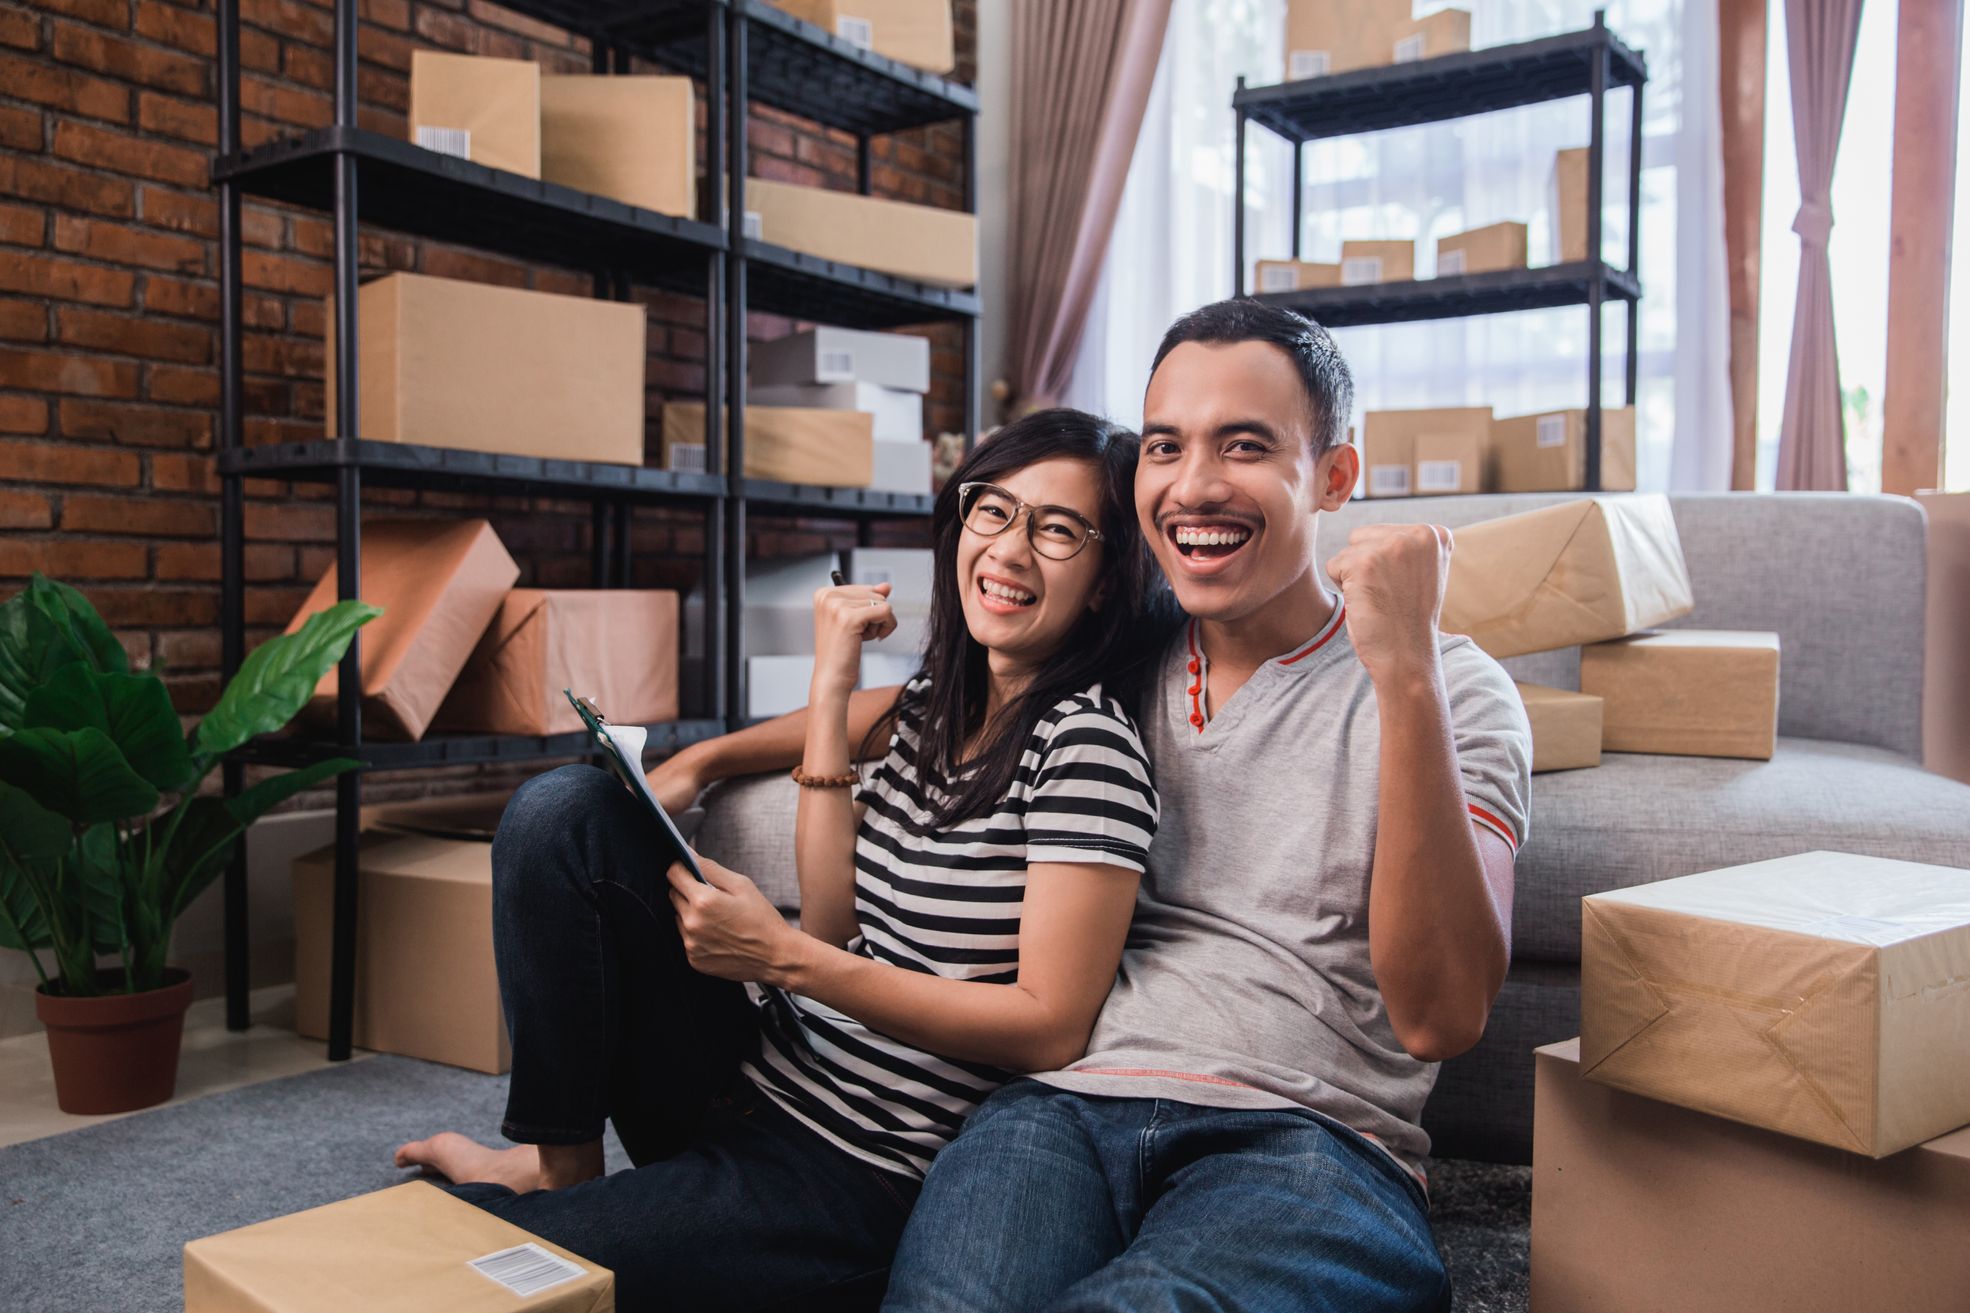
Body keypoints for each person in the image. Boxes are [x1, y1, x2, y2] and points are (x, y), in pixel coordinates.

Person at [662, 300, 1531, 1312]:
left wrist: (1405, 673)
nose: (1194, 483)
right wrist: (704, 755)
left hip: (1308, 1138)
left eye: (1243, 445)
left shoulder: (1454, 690)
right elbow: (910, 706)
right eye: (1166, 446)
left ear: (1333, 475)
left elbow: (1440, 1013)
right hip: (1057, 1111)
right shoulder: (1120, 655)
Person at [394, 408, 1170, 1311]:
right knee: (565, 811)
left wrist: (783, 957)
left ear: (1109, 578)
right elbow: (839, 914)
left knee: (487, 1277)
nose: (1009, 548)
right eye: (993, 510)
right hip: (751, 1080)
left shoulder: (1087, 749)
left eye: (1058, 528)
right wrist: (727, 743)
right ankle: (562, 1169)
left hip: (856, 1173)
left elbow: (1049, 1026)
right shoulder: (933, 706)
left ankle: (566, 1212)